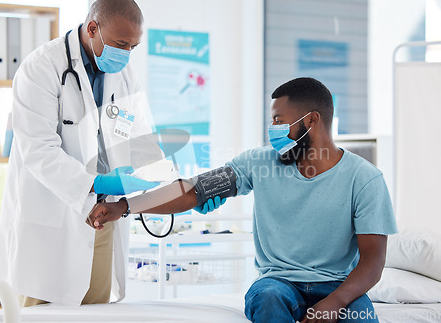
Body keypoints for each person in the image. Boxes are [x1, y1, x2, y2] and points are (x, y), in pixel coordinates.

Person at [87, 77, 397, 323]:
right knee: (268, 299)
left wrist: (336, 302)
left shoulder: (365, 179)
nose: (272, 130)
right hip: (279, 283)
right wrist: (123, 206)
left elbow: (373, 261)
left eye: (279, 121)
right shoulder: (260, 162)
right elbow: (193, 189)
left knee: (360, 317)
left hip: (339, 286)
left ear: (312, 120)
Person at [0, 0, 219, 306]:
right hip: (49, 224)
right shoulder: (42, 68)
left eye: (133, 46)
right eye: (120, 44)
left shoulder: (126, 75)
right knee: (40, 311)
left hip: (103, 220)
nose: (127, 54)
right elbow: (38, 151)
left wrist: (160, 171)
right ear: (92, 29)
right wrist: (96, 182)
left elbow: (141, 141)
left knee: (95, 311)